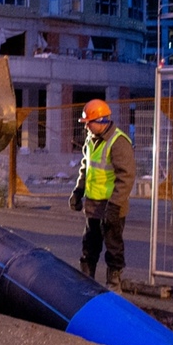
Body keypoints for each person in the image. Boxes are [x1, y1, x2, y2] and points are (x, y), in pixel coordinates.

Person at [69, 99, 136, 293]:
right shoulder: (92, 140)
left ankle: (114, 286)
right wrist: (78, 191)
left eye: (89, 122)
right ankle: (86, 282)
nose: (87, 126)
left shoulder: (118, 142)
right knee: (89, 246)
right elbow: (86, 169)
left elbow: (126, 177)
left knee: (113, 246)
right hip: (94, 207)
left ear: (102, 121)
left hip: (112, 206)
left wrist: (114, 206)